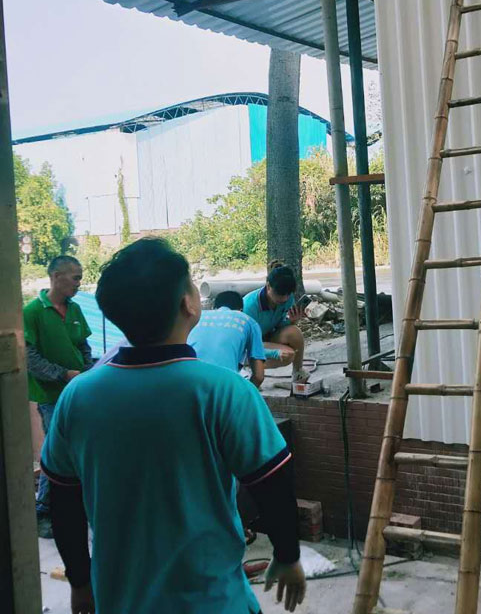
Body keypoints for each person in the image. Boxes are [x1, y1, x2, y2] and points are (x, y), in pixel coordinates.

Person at [41, 238, 306, 614]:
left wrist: (80, 582)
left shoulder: (77, 397)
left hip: (118, 599)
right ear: (188, 303)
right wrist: (288, 555)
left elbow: (63, 501)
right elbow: (273, 485)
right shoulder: (225, 391)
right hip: (214, 601)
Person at [24, 255, 92, 539]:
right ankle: (43, 511)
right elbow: (28, 357)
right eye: (75, 278)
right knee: (55, 451)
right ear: (56, 276)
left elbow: (83, 345)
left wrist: (86, 372)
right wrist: (63, 374)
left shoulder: (75, 309)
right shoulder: (32, 312)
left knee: (79, 449)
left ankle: (77, 506)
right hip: (51, 396)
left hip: (77, 392)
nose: (79, 283)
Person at [243, 262, 308, 384]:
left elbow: (279, 325)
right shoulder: (249, 306)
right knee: (286, 354)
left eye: (287, 295)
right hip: (248, 345)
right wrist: (275, 352)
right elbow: (244, 343)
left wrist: (292, 320)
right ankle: (249, 368)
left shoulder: (287, 299)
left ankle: (298, 373)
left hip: (267, 338)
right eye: (279, 294)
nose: (284, 299)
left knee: (295, 333)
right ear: (268, 286)